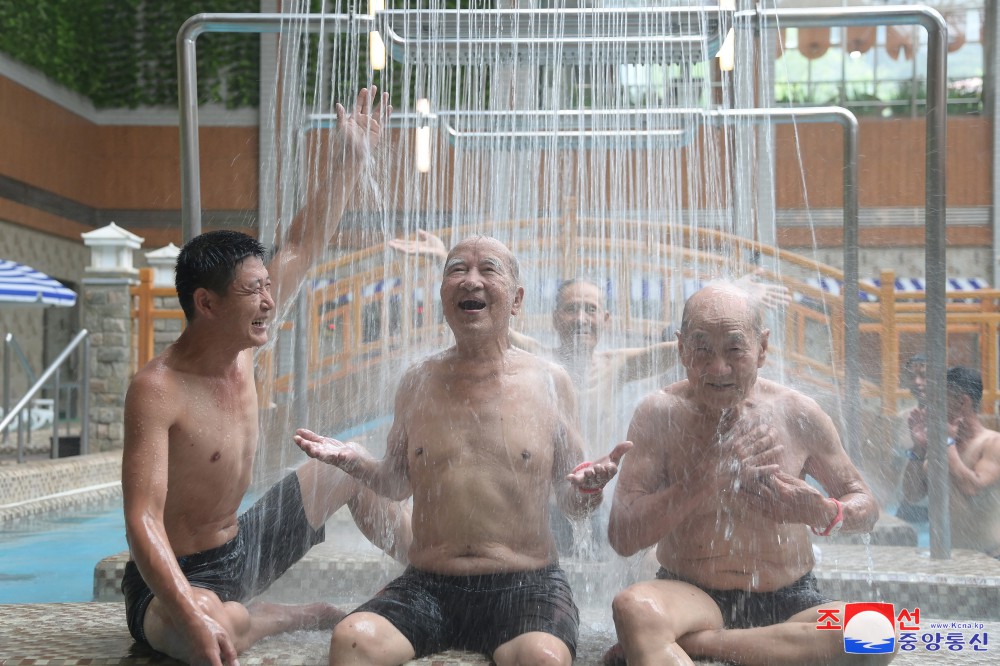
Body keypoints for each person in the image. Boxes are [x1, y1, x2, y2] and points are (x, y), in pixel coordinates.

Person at [121, 87, 411, 666]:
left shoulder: (244, 353)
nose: (269, 301)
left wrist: (351, 161)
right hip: (177, 574)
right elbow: (141, 518)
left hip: (244, 546)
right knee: (212, 630)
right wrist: (181, 604)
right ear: (206, 303)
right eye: (254, 292)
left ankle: (436, 574)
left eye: (268, 287)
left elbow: (304, 242)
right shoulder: (158, 389)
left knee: (341, 470)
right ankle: (285, 616)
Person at [294, 235, 632, 666]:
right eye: (457, 269)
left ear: (516, 300)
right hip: (431, 583)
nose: (471, 280)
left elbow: (572, 502)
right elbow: (397, 484)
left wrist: (589, 489)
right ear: (442, 294)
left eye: (488, 270)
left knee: (543, 658)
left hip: (525, 583)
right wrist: (357, 464)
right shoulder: (416, 381)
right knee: (352, 641)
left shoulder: (549, 382)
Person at [604, 281, 885, 666]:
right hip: (690, 593)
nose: (719, 368)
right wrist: (706, 477)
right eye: (702, 349)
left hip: (791, 597)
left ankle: (699, 644)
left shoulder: (797, 412)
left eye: (735, 349)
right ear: (682, 348)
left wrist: (823, 511)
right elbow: (622, 535)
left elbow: (866, 507)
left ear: (763, 348)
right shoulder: (660, 414)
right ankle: (751, 645)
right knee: (633, 608)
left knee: (876, 633)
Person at [901, 366, 1000, 558]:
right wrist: (919, 448)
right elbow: (911, 494)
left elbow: (972, 487)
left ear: (962, 402)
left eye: (939, 400)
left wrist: (947, 442)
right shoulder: (939, 447)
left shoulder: (992, 443)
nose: (930, 407)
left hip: (992, 559)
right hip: (949, 556)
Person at [895, 354, 929, 523]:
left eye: (923, 376)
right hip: (907, 507)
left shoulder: (951, 420)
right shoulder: (904, 417)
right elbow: (893, 468)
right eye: (912, 377)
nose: (917, 382)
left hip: (936, 509)